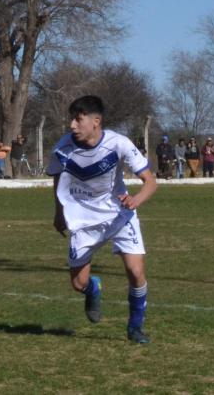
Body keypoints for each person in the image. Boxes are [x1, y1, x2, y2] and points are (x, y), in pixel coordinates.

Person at [48, 95, 157, 344]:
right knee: (78, 283)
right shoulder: (63, 148)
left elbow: (150, 181)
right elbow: (57, 179)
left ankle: (135, 327)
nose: (72, 125)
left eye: (78, 119)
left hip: (119, 215)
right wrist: (58, 211)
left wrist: (136, 200)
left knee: (135, 271)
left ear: (96, 121)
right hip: (82, 221)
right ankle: (93, 288)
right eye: (71, 120)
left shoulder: (119, 144)